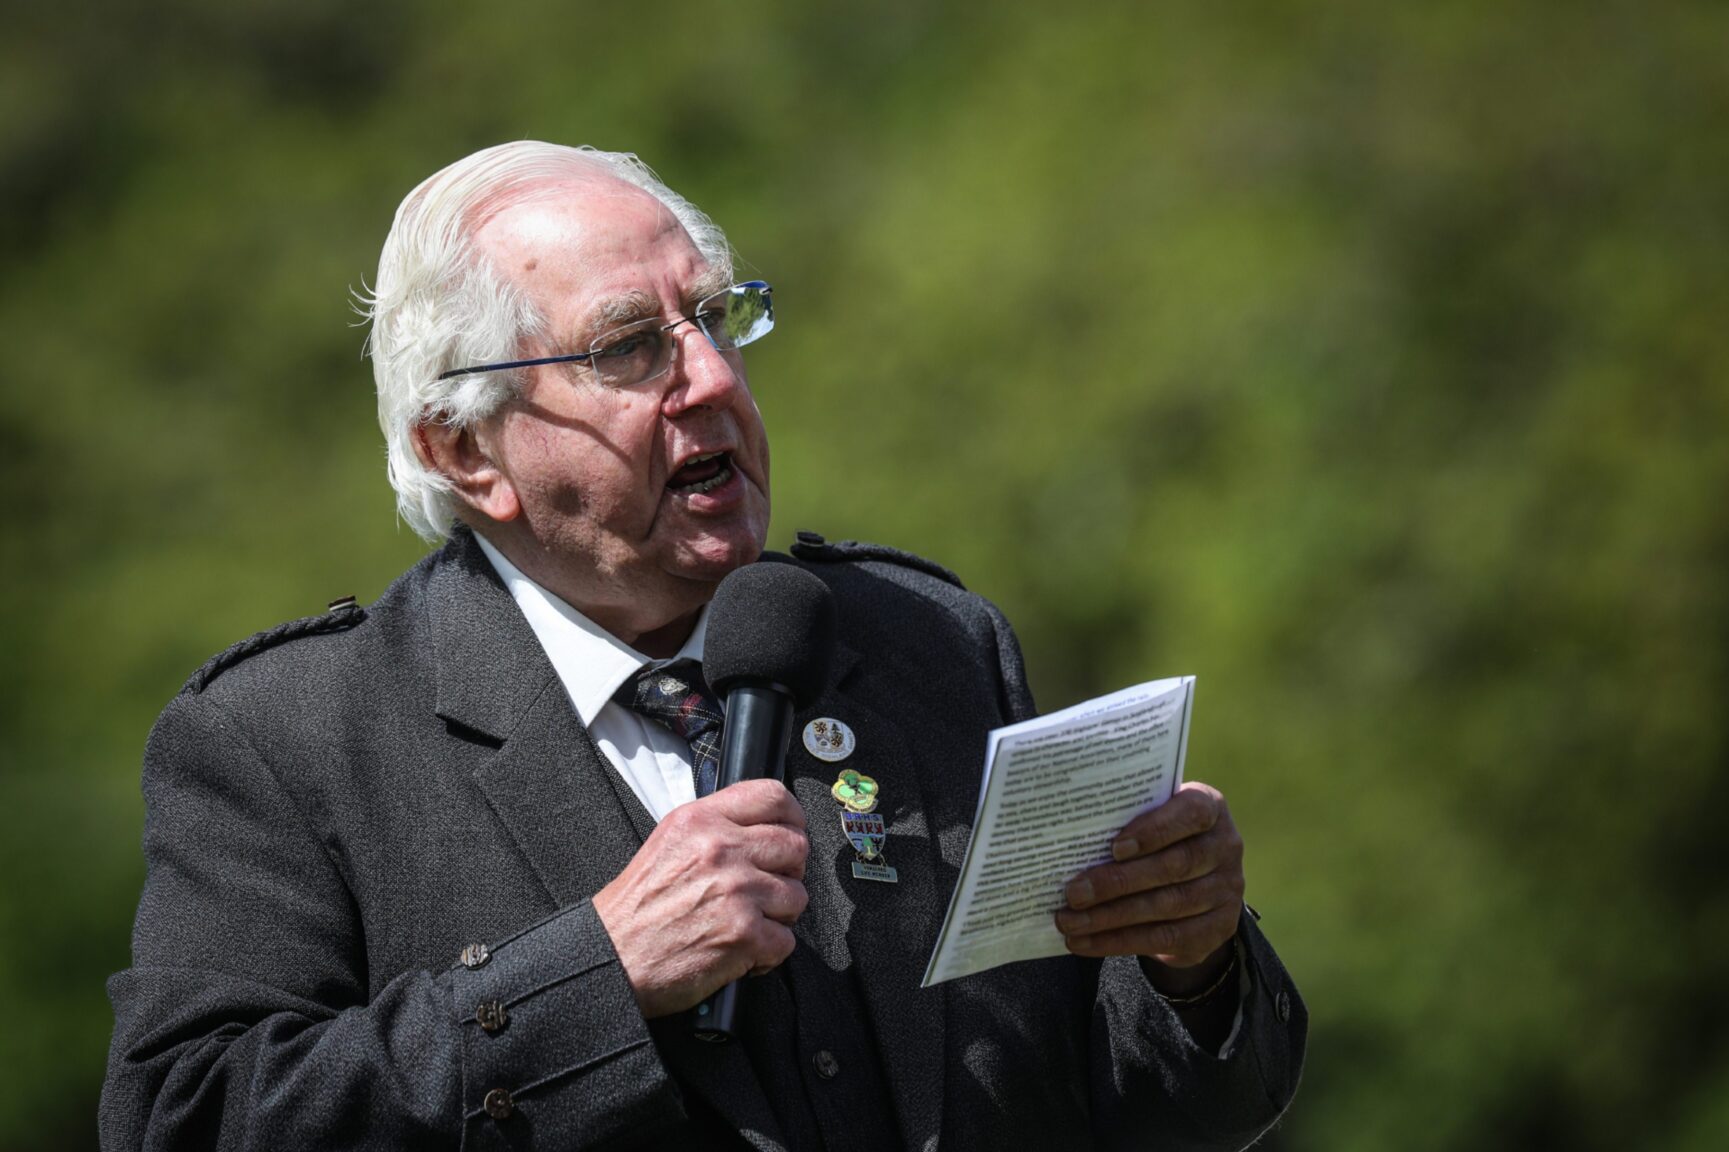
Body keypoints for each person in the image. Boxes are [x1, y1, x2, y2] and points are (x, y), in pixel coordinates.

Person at [101, 141, 1306, 1150]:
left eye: (719, 318)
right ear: (468, 452)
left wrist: (1188, 963)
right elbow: (184, 1117)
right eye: (628, 347)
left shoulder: (928, 643)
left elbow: (1150, 1107)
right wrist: (591, 975)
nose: (715, 376)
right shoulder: (288, 741)